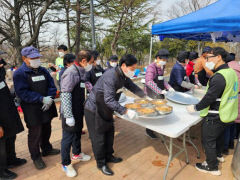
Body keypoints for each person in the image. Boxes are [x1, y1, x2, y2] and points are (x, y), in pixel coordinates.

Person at [84, 54, 145, 176]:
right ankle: (101, 163)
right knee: (99, 138)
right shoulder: (111, 76)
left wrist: (145, 96)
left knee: (109, 133)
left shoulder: (122, 75)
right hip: (94, 109)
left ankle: (109, 155)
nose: (133, 71)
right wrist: (126, 111)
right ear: (123, 65)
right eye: (132, 69)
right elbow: (109, 100)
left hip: (106, 107)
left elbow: (131, 86)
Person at [186, 47, 238, 176]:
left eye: (208, 57)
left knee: (208, 140)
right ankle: (218, 155)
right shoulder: (230, 72)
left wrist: (195, 107)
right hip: (227, 112)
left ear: (218, 57)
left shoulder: (220, 76)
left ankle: (211, 166)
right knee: (218, 137)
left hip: (216, 114)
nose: (207, 60)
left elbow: (210, 97)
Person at [13, 46, 60, 170]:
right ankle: (36, 157)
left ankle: (46, 148)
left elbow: (51, 85)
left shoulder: (43, 70)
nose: (36, 60)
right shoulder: (19, 73)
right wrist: (40, 98)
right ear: (25, 59)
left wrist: (49, 98)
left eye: (38, 57)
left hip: (47, 105)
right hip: (32, 109)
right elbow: (22, 92)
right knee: (35, 133)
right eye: (33, 58)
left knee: (47, 128)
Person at [60, 50, 93, 177]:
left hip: (78, 107)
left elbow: (85, 83)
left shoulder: (82, 70)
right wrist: (68, 115)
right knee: (67, 138)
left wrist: (93, 91)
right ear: (83, 61)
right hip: (70, 111)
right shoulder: (70, 72)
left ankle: (77, 153)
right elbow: (65, 94)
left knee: (77, 132)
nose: (92, 64)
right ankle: (66, 164)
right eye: (90, 62)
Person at [0, 52, 26, 179]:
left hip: (7, 112)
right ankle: (1, 171)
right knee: (1, 144)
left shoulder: (0, 74)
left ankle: (11, 160)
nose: (1, 61)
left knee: (11, 136)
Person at [144, 49, 174, 139]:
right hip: (151, 93)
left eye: (165, 60)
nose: (164, 62)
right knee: (151, 111)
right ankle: (149, 131)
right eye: (163, 60)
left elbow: (162, 79)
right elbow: (149, 81)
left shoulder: (161, 67)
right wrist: (160, 91)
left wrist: (169, 87)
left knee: (159, 110)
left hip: (159, 92)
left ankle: (158, 128)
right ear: (157, 58)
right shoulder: (151, 67)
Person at [223, 53, 240, 155]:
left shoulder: (228, 70)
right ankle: (231, 143)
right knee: (234, 122)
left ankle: (225, 147)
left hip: (231, 98)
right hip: (238, 97)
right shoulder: (238, 68)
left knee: (227, 122)